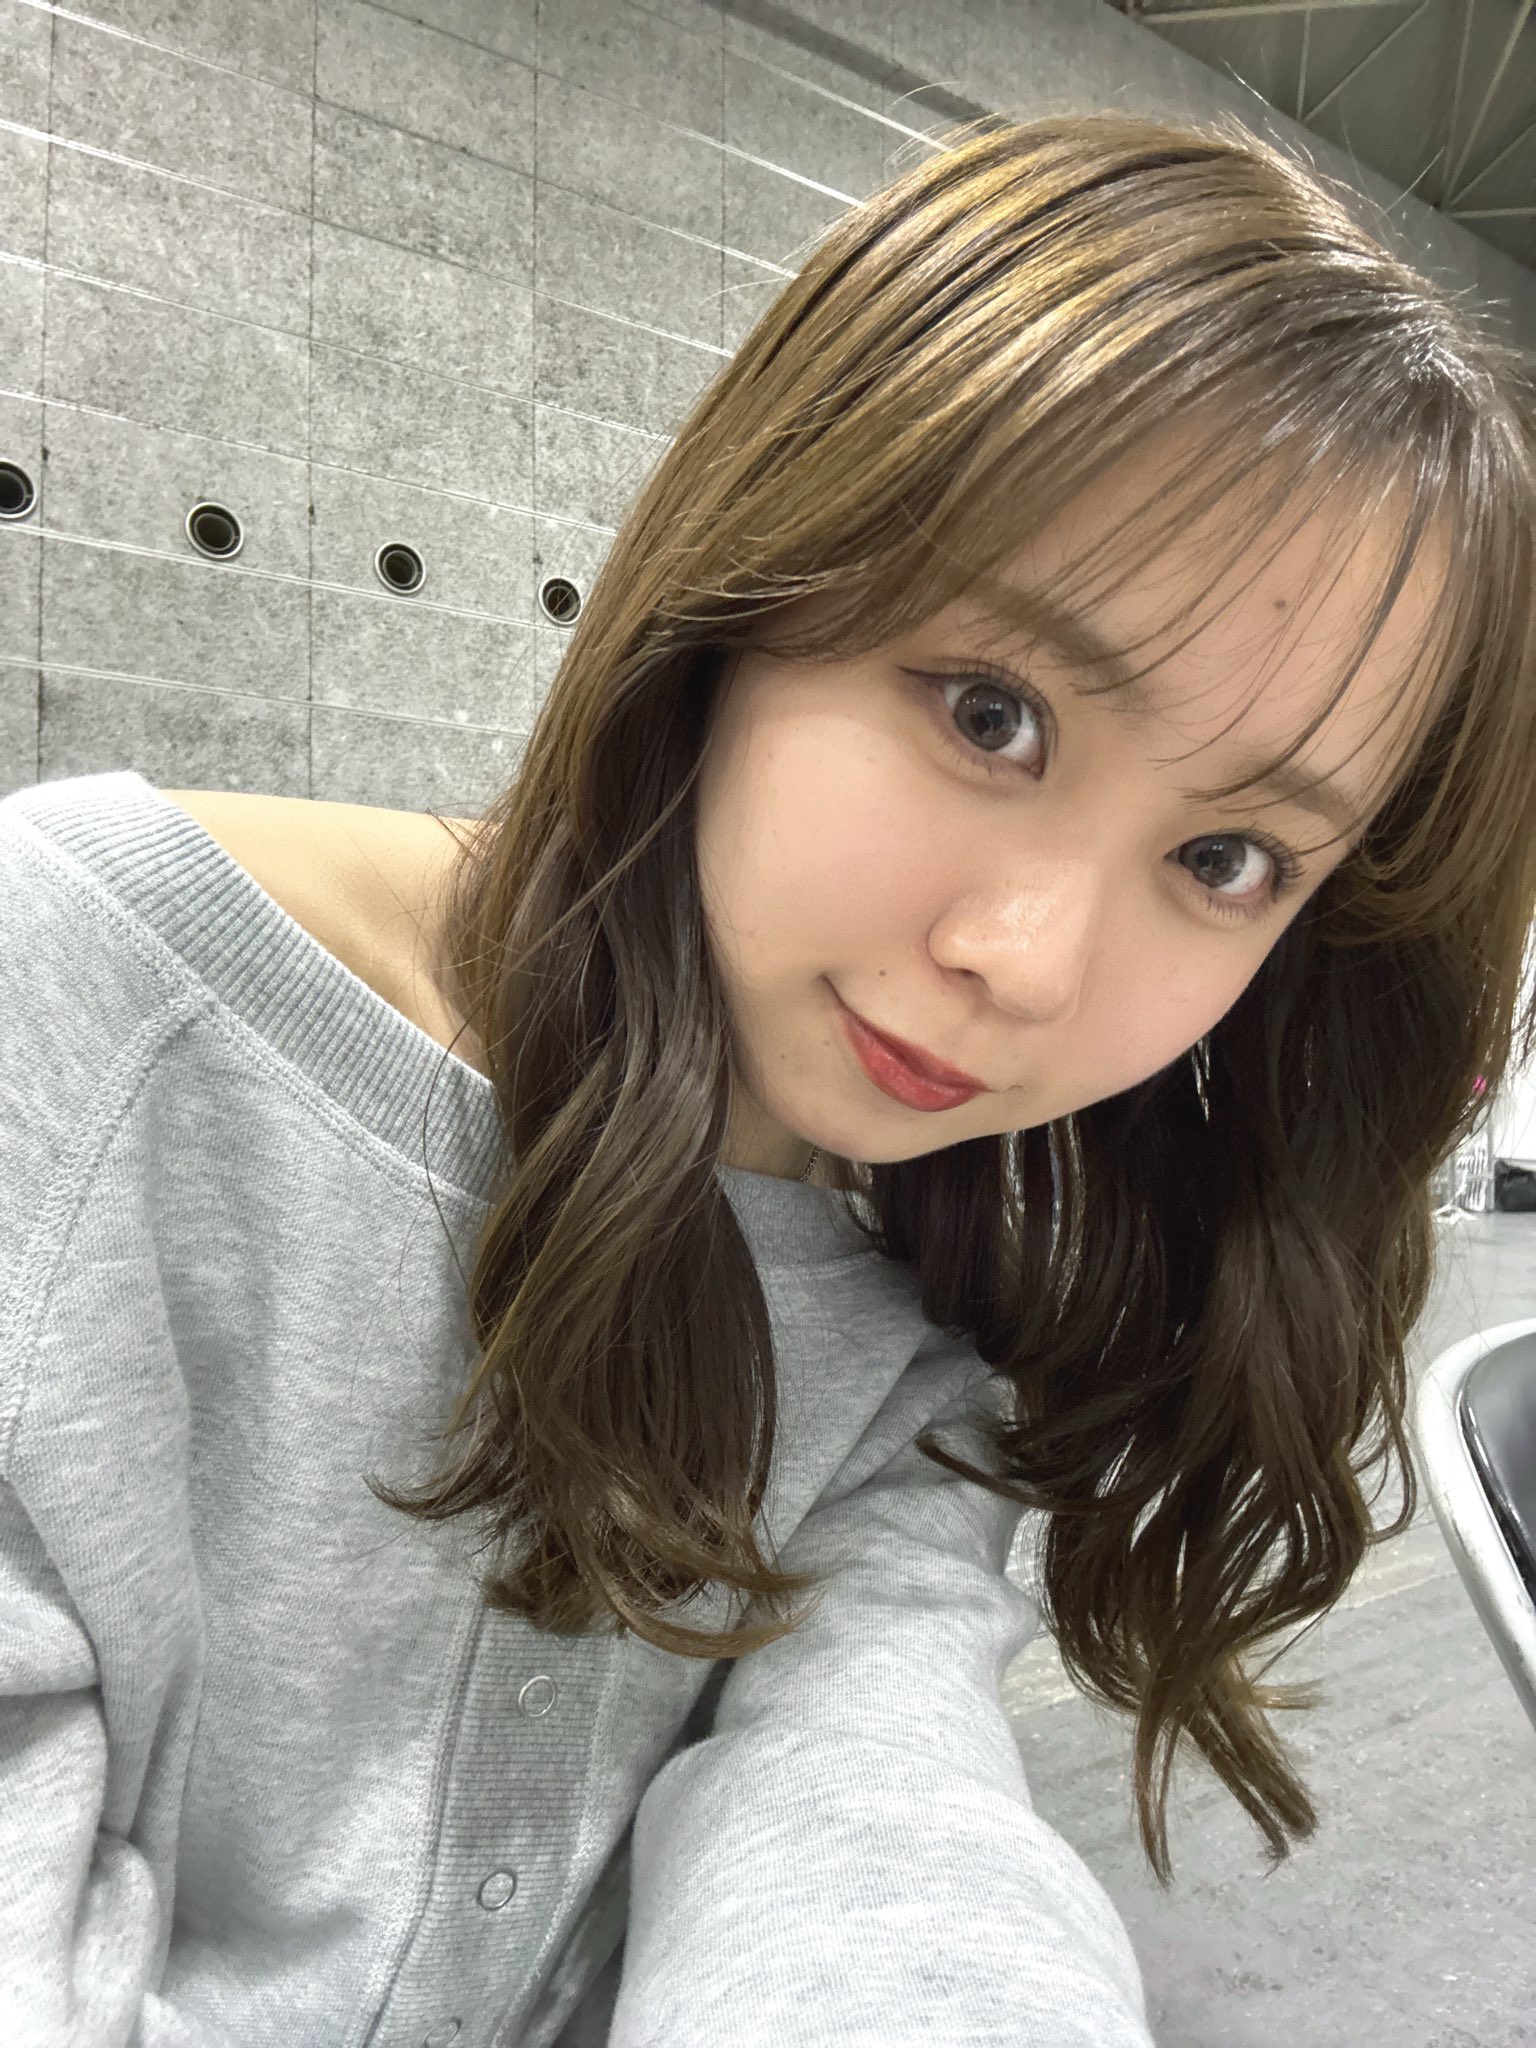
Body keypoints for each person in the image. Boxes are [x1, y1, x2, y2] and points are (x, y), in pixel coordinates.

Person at [1, 106, 1532, 2048]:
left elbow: (875, 1810)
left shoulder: (927, 1299)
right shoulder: (79, 1002)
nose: (1028, 962)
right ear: (758, 576)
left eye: (1225, 859)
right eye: (993, 713)